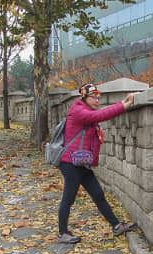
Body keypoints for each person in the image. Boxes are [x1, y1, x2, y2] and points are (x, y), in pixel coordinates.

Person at [57, 83, 137, 243]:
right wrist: (124, 104)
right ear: (84, 97)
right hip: (70, 162)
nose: (97, 100)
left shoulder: (86, 111)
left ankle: (116, 226)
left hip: (81, 162)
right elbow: (101, 115)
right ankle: (62, 233)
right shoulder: (78, 110)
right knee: (69, 197)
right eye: (94, 97)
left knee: (98, 194)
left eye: (99, 97)